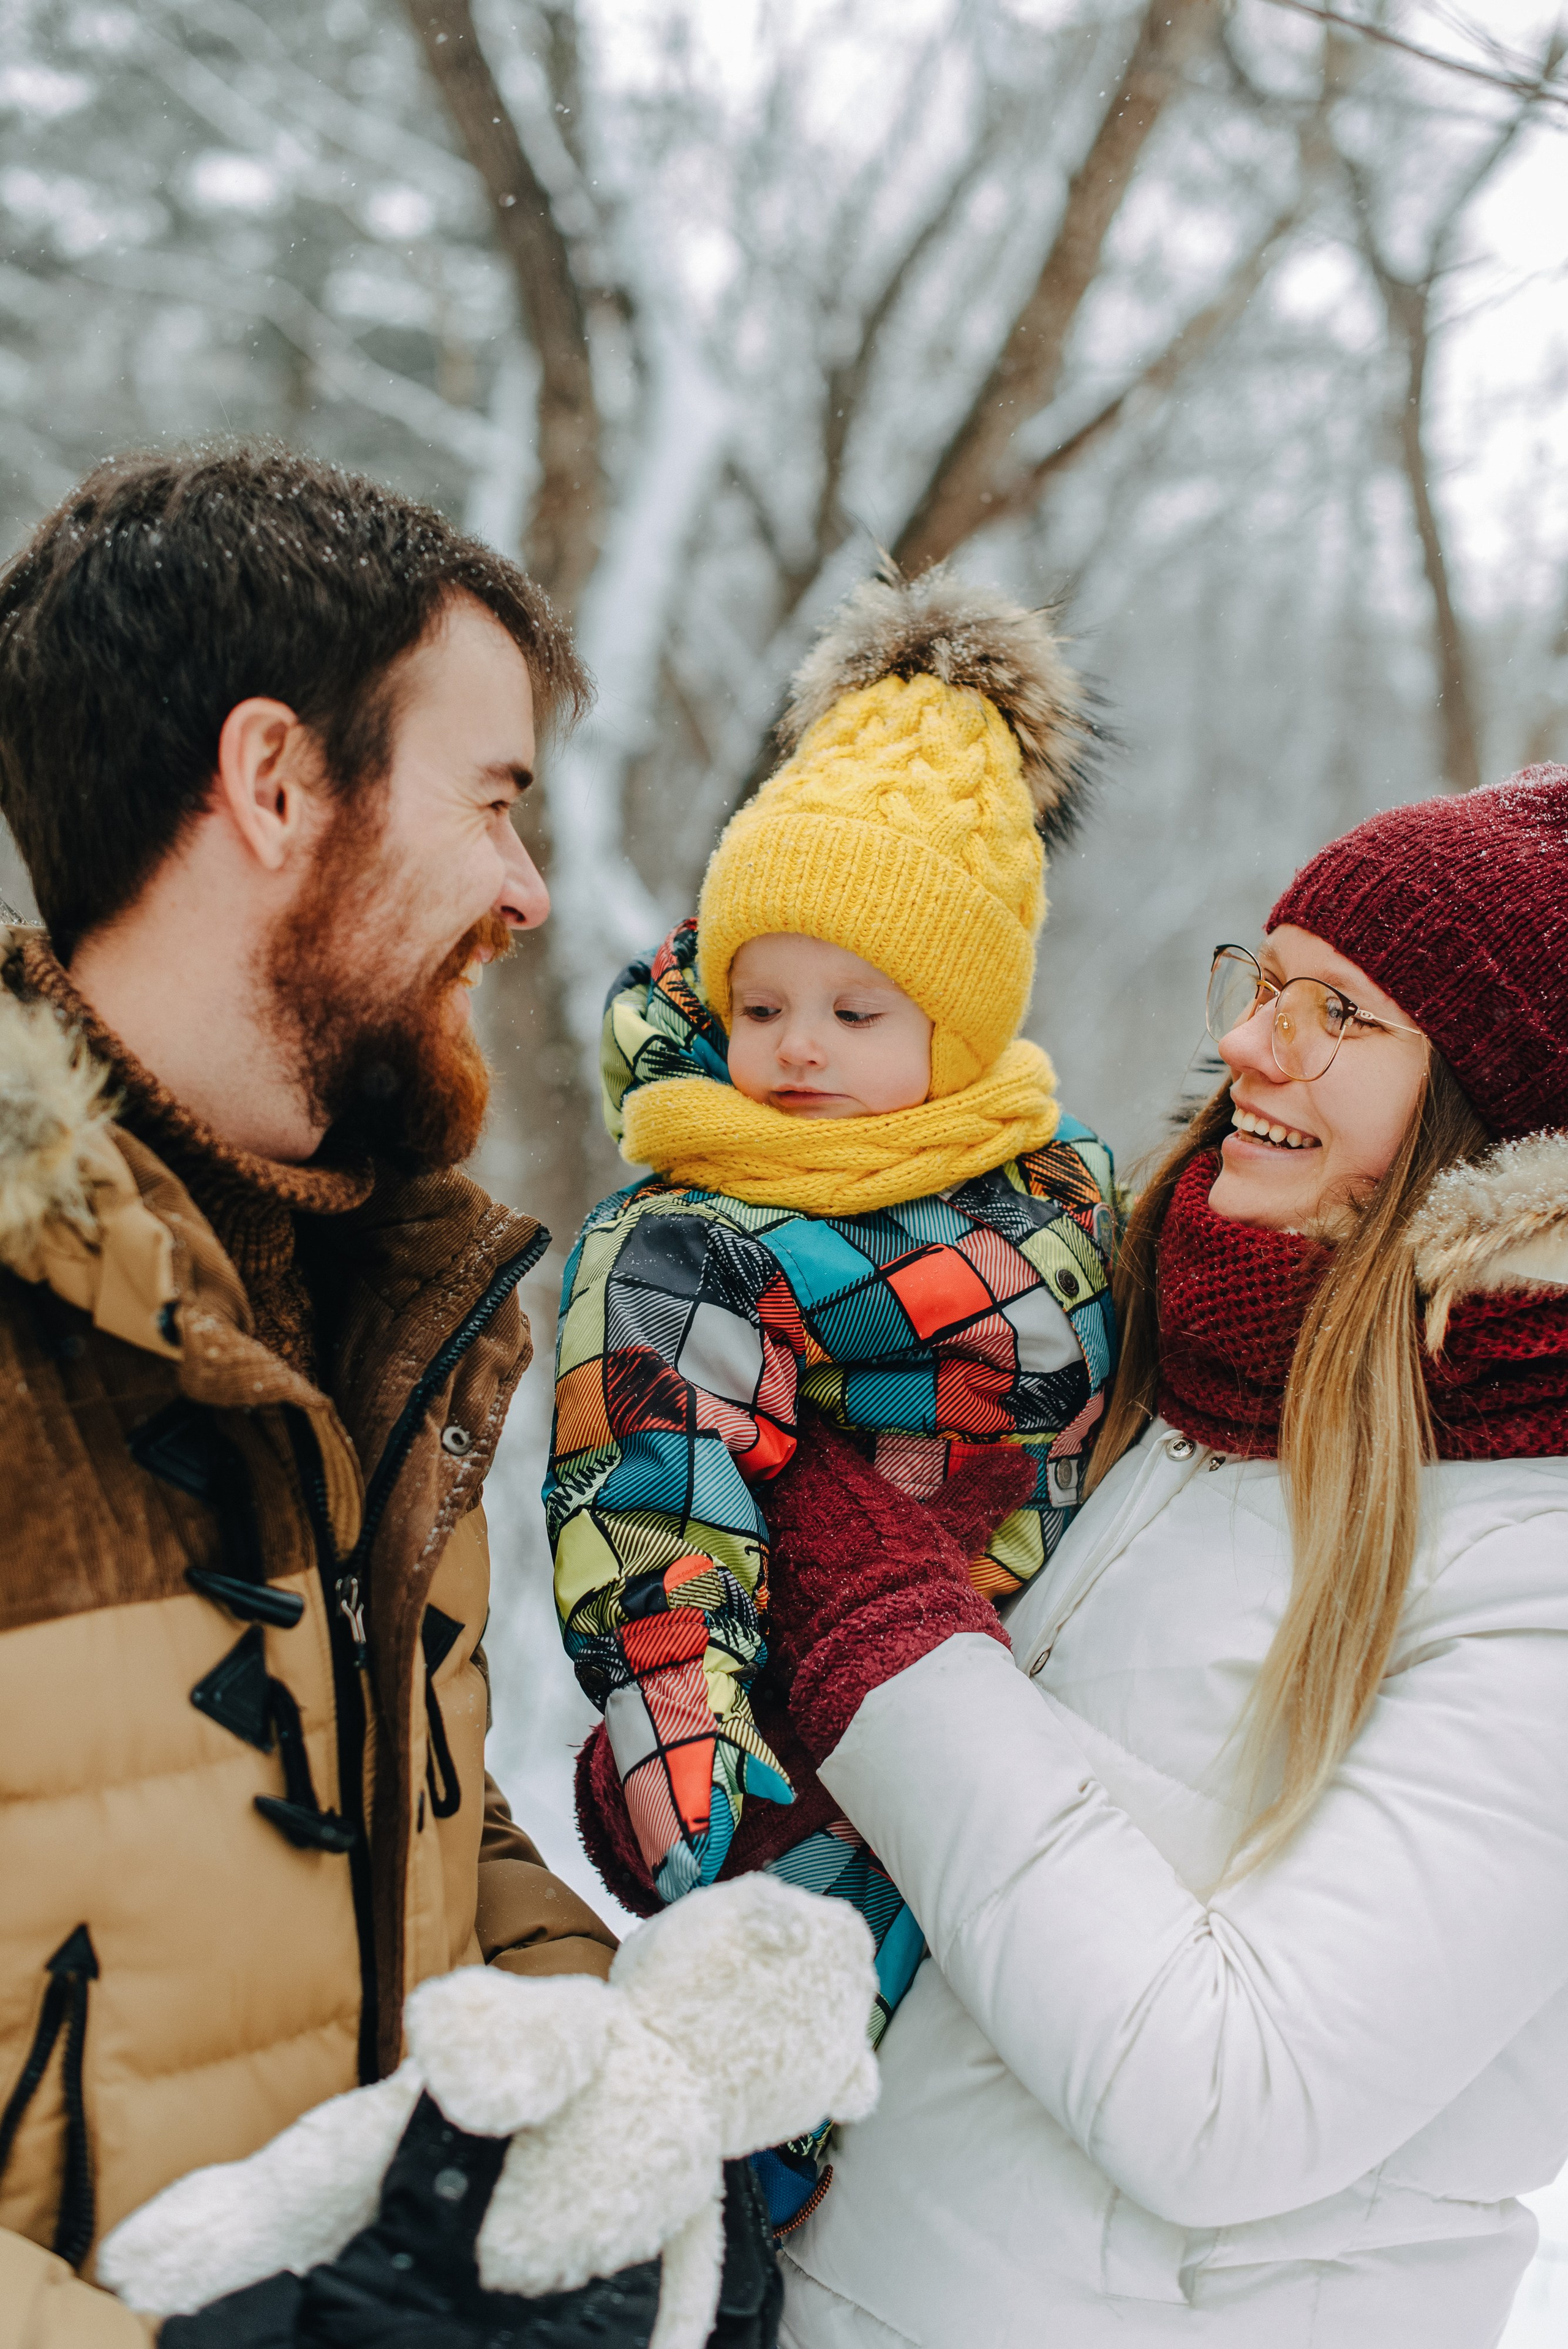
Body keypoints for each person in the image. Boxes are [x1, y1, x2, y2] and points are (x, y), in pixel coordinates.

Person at [753, 768, 1568, 2347]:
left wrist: (882, 1648)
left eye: (1340, 1014)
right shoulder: (1172, 1370)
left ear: (1504, 1126)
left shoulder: (1533, 1558)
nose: (1253, 1044)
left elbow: (1232, 2099)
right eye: (1266, 984)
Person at [0, 447, 630, 2342]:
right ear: (277, 780)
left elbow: (404, 1814)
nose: (524, 889)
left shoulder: (383, 1299)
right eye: (494, 799)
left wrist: (619, 2098)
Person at [548, 569, 1116, 2225]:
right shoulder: (692, 1216)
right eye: (760, 1005)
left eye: (859, 1013)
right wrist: (673, 1682)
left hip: (982, 1712)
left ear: (961, 1032)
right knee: (729, 2051)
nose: (795, 1051)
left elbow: (1051, 1378)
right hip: (760, 1704)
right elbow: (652, 1460)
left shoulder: (1044, 1221)